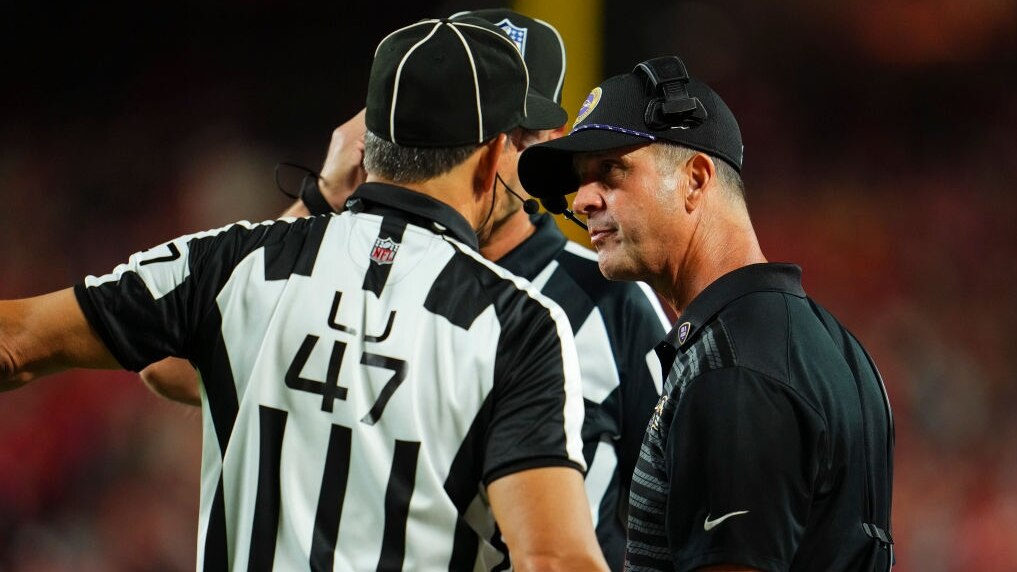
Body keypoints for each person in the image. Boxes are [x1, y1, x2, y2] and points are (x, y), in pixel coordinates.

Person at [1, 17, 610, 571]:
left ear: (367, 145)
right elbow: (556, 561)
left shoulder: (233, 262)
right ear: (493, 157)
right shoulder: (519, 323)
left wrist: (317, 197)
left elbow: (17, 342)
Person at [142, 10, 671, 571]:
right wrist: (322, 195)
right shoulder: (347, 263)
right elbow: (169, 363)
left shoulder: (612, 303)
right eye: (461, 126)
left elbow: (686, 503)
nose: (481, 153)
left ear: (550, 145)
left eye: (513, 135)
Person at [517, 56, 895, 571]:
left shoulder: (732, 370)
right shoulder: (828, 341)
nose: (582, 200)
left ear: (695, 180)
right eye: (582, 180)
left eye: (611, 170)